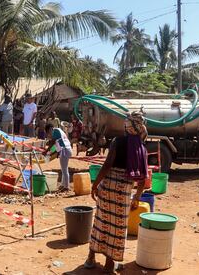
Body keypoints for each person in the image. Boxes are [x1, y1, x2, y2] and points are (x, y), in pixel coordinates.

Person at [84, 111, 148, 274]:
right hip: (124, 192)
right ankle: (109, 265)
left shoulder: (118, 142)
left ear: (127, 126)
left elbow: (107, 165)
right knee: (116, 228)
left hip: (108, 188)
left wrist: (95, 185)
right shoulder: (141, 148)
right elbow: (142, 178)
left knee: (100, 223)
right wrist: (137, 197)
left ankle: (91, 258)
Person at [43, 124, 72, 192]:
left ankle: (66, 187)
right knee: (63, 169)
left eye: (48, 132)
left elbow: (53, 142)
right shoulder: (59, 131)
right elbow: (57, 147)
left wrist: (46, 151)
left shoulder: (55, 131)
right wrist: (51, 154)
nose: (49, 134)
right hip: (66, 150)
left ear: (50, 129)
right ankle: (63, 185)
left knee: (64, 169)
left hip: (65, 150)